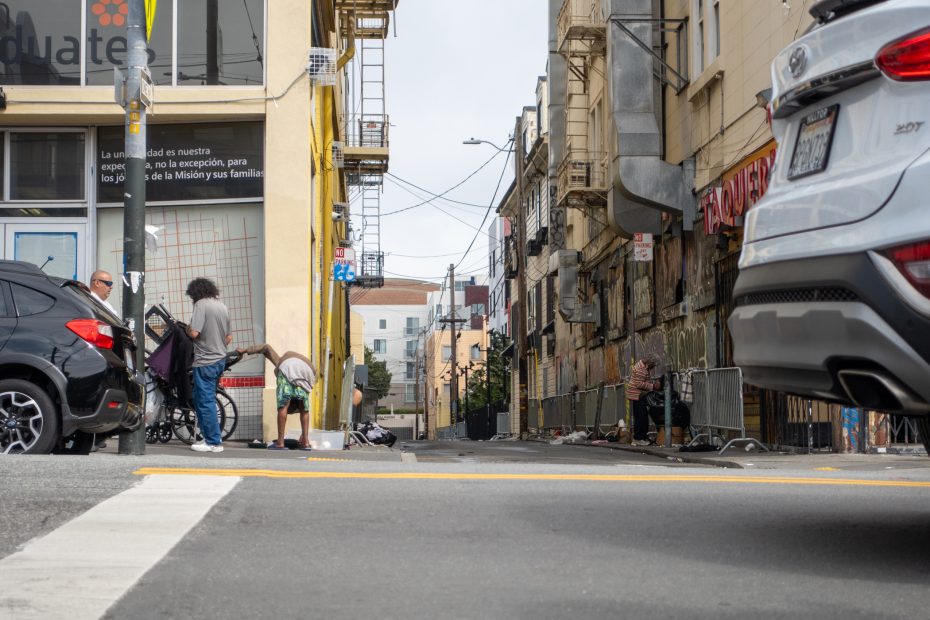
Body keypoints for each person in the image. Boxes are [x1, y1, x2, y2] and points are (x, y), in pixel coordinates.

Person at [238, 343, 318, 450]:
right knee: (304, 408)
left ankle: (280, 443)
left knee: (283, 406)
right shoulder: (288, 358)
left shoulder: (280, 361)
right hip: (308, 370)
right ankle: (305, 442)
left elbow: (265, 347)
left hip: (289, 367)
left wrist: (244, 350)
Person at [186, 278, 231, 453]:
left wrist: (187, 329)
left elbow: (195, 333)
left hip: (205, 361)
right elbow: (228, 338)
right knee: (202, 399)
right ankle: (208, 437)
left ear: (196, 293)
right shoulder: (222, 306)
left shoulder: (201, 305)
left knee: (205, 402)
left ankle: (213, 442)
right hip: (220, 359)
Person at [88, 269, 118, 451]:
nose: (111, 287)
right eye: (107, 283)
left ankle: (99, 435)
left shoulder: (103, 303)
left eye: (111, 284)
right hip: (97, 356)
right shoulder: (89, 301)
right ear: (96, 282)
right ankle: (92, 437)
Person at [625, 356, 661, 446]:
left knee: (641, 416)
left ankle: (642, 436)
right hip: (637, 395)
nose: (653, 368)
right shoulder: (641, 369)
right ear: (650, 363)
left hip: (638, 395)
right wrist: (653, 386)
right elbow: (639, 384)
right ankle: (639, 437)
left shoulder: (643, 366)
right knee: (641, 417)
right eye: (653, 366)